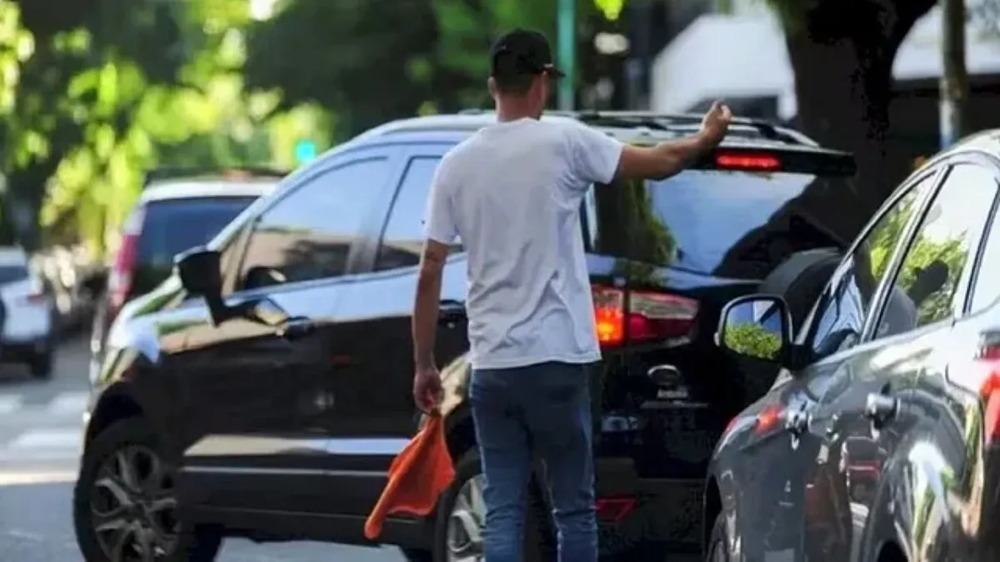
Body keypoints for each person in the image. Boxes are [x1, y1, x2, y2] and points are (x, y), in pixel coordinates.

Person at [410, 28, 732, 562]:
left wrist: (424, 364)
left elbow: (429, 271)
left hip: (493, 365)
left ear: (494, 86)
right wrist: (704, 139)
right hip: (558, 360)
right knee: (574, 510)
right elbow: (660, 162)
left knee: (505, 507)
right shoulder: (565, 142)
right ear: (541, 83)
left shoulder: (455, 167)